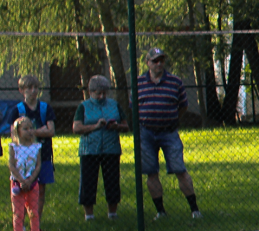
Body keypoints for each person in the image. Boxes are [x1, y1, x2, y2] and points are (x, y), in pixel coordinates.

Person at [135, 48, 202, 219]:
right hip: (146, 134)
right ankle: (161, 212)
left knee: (180, 169)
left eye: (161, 60)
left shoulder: (175, 82)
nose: (159, 64)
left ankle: (195, 210)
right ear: (147, 63)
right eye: (155, 61)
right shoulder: (139, 83)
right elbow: (133, 107)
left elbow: (183, 106)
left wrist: (171, 119)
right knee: (151, 172)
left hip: (169, 133)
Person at [73, 75, 129, 220]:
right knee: (88, 182)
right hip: (89, 150)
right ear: (91, 92)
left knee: (112, 181)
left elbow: (126, 125)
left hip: (111, 149)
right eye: (98, 93)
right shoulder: (83, 107)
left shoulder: (114, 105)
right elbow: (76, 128)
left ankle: (112, 213)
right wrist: (95, 126)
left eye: (104, 93)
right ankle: (89, 215)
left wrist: (117, 126)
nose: (102, 96)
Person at [3, 76, 56, 231]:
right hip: (23, 159)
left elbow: (51, 130)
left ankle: (36, 223)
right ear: (21, 90)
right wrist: (40, 132)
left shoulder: (45, 108)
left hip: (43, 155)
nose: (33, 91)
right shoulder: (17, 111)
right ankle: (22, 224)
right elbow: (15, 135)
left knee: (40, 190)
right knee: (22, 191)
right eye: (29, 88)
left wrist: (30, 132)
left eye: (36, 88)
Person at [8, 116, 44, 231]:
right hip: (18, 184)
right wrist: (21, 180)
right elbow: (11, 165)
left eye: (31, 128)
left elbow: (38, 165)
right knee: (18, 213)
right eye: (25, 129)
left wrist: (30, 180)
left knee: (33, 212)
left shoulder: (36, 147)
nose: (29, 131)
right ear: (18, 131)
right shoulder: (14, 147)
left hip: (33, 184)